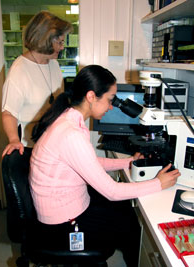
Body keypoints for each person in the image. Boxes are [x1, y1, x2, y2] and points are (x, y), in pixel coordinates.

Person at [29, 65, 180, 267]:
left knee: (125, 209)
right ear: (91, 96)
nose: (111, 107)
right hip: (64, 225)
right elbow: (112, 191)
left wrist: (128, 162)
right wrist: (158, 184)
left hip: (67, 209)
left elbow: (89, 162)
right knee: (131, 226)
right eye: (110, 100)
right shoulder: (70, 133)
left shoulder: (68, 119)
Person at [1, 11, 73, 157]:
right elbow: (8, 113)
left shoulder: (54, 64)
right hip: (31, 148)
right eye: (59, 42)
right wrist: (14, 140)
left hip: (54, 143)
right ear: (45, 40)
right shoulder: (19, 70)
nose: (62, 47)